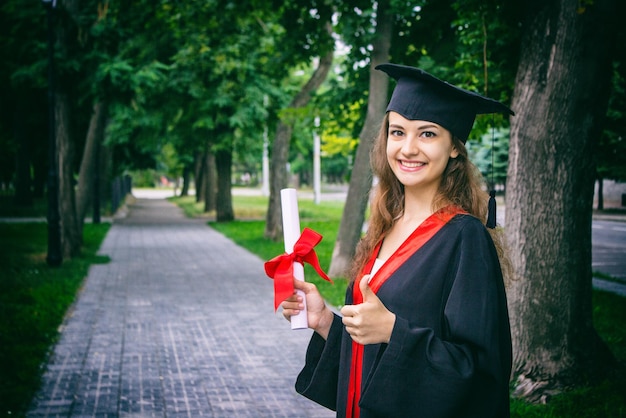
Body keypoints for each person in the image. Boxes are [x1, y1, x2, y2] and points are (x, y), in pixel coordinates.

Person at [280, 63, 514, 418]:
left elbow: (479, 370)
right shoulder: (385, 228)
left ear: (454, 147)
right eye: (398, 132)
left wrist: (393, 330)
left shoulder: (465, 238)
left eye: (428, 134)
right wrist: (326, 321)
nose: (408, 148)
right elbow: (371, 352)